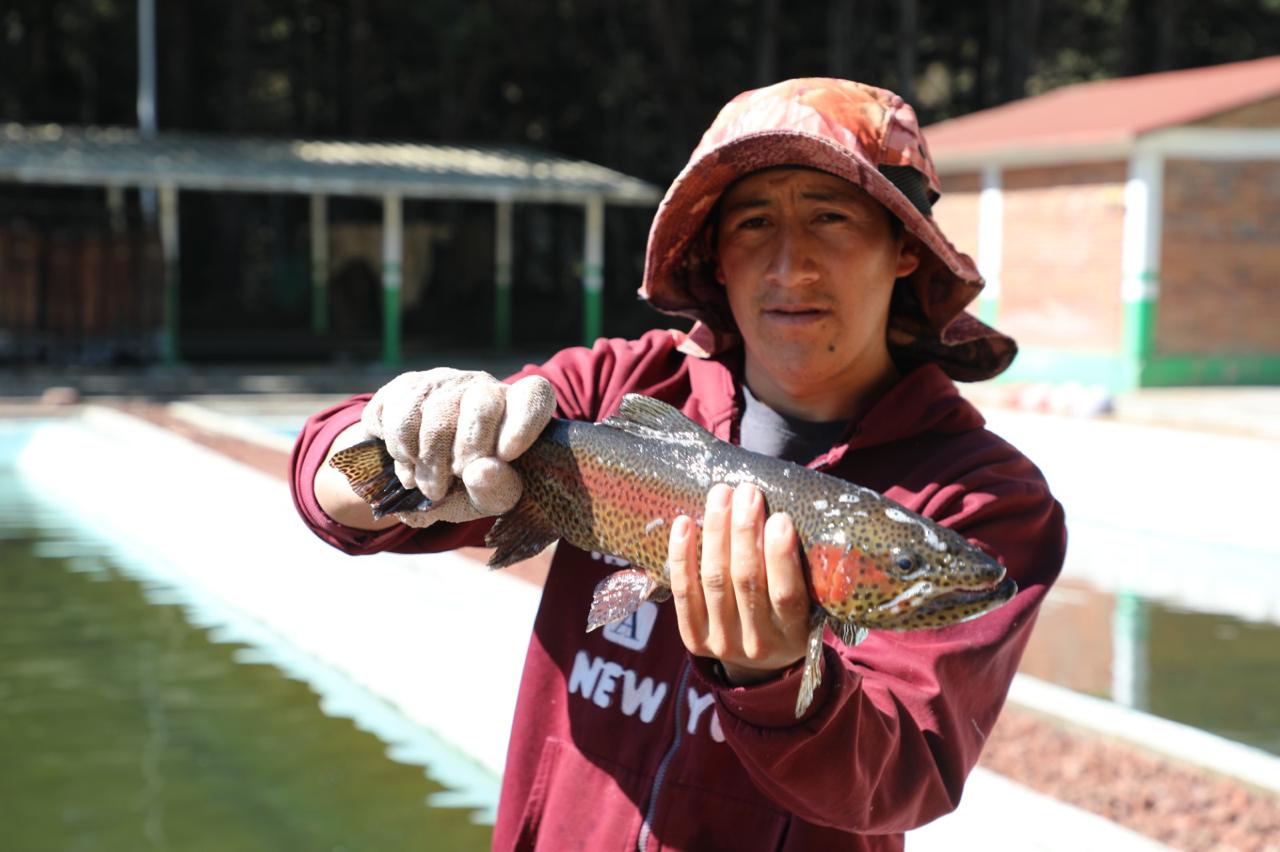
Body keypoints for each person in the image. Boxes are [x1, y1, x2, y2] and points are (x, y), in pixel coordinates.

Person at [291, 77, 1066, 851]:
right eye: (755, 223)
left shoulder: (982, 499)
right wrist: (400, 436)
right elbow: (334, 491)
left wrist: (774, 679)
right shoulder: (615, 389)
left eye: (831, 218)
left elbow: (902, 779)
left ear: (904, 250)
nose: (790, 267)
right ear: (716, 258)